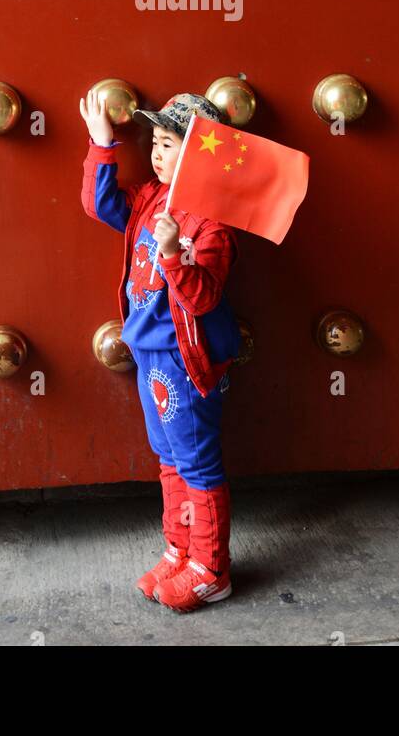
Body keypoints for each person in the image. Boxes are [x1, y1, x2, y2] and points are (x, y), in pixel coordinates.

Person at [79, 88, 241, 611]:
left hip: (185, 361)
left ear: (197, 157)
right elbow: (101, 204)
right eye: (154, 141)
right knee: (169, 459)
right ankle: (180, 550)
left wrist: (173, 253)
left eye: (169, 144)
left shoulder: (211, 225)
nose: (155, 153)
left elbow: (202, 296)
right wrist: (103, 145)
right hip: (149, 352)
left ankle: (211, 569)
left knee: (197, 464)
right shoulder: (151, 198)